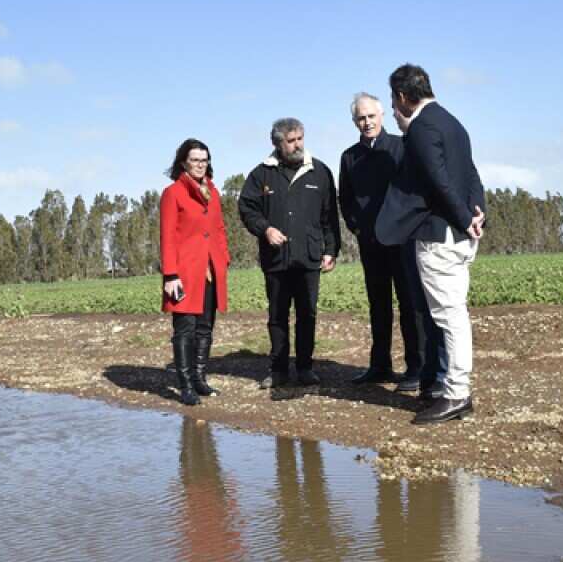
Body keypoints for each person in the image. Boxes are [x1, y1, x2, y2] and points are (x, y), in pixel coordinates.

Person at [376, 64, 486, 425]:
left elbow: (439, 180)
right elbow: (470, 173)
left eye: (394, 100)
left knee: (449, 316)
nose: (395, 107)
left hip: (440, 236)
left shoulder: (422, 128)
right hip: (461, 234)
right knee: (455, 314)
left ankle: (456, 394)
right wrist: (476, 211)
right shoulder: (453, 122)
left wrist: (463, 217)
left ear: (404, 97)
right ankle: (456, 390)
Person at [239, 118, 341, 389]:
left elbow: (330, 215)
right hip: (276, 260)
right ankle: (279, 370)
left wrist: (331, 249)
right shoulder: (261, 174)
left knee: (307, 314)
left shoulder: (320, 172)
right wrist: (265, 229)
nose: (297, 145)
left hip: (308, 257)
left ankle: (305, 367)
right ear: (277, 143)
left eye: (300, 138)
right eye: (290, 140)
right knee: (277, 316)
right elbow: (247, 208)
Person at [338, 92, 424, 390]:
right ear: (354, 121)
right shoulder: (349, 157)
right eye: (361, 118)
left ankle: (416, 368)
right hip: (370, 243)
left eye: (371, 116)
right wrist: (357, 226)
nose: (366, 122)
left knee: (410, 304)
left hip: (402, 242)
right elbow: (345, 199)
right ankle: (380, 366)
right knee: (378, 305)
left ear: (382, 116)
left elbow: (412, 193)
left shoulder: (400, 148)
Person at [160, 138, 230, 406]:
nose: (200, 165)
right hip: (184, 272)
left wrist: (224, 258)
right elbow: (167, 237)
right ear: (183, 163)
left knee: (205, 328)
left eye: (204, 160)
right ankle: (186, 384)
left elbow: (220, 228)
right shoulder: (173, 193)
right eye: (195, 160)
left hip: (211, 269)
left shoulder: (213, 191)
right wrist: (170, 275)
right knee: (185, 329)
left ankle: (200, 379)